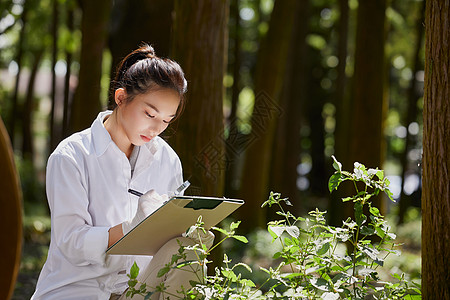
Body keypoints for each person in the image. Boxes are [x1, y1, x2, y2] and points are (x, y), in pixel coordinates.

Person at [31, 44, 214, 300]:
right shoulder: (72, 156)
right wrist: (130, 227)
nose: (155, 128)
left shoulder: (167, 159)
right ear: (120, 98)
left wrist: (185, 232)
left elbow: (167, 247)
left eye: (166, 120)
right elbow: (71, 242)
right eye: (149, 113)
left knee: (189, 251)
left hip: (137, 290)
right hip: (78, 291)